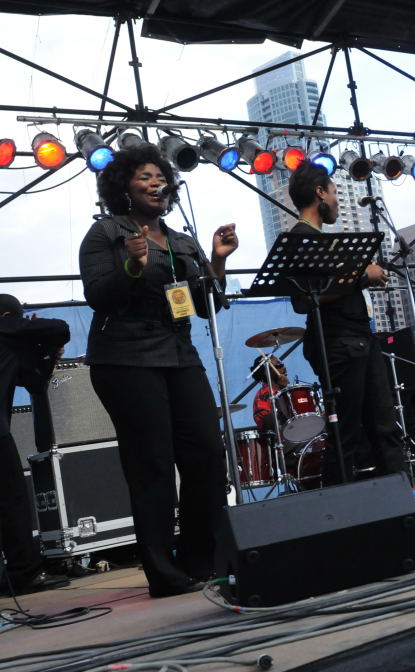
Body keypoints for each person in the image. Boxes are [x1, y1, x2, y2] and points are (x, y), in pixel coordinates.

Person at [79, 144, 238, 598]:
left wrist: (218, 259)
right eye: (145, 177)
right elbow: (98, 295)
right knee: (152, 465)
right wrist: (132, 265)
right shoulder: (105, 233)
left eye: (160, 177)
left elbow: (207, 305)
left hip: (179, 353)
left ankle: (199, 560)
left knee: (206, 454)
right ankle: (164, 574)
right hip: (125, 357)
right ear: (123, 187)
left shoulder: (182, 241)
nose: (156, 184)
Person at [286, 160, 405, 483]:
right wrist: (362, 275)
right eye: (334, 192)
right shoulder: (301, 238)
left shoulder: (323, 239)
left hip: (360, 339)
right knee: (346, 433)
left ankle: (402, 500)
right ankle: (337, 506)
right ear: (320, 193)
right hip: (339, 344)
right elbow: (305, 299)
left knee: (383, 427)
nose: (337, 201)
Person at [0, 294, 70, 595]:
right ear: (9, 316)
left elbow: (33, 381)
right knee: (12, 502)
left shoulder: (8, 344)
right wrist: (36, 333)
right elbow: (61, 327)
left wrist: (48, 353)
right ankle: (24, 574)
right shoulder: (7, 327)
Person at [250, 355, 288, 430]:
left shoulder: (287, 390)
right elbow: (267, 425)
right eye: (279, 364)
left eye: (282, 363)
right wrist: (283, 393)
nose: (284, 367)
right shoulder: (263, 395)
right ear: (266, 371)